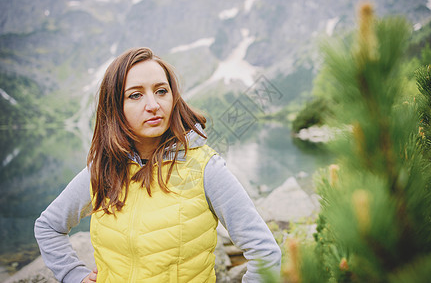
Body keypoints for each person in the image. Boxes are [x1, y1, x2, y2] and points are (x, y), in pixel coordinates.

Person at [34, 47, 281, 282]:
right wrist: (73, 275)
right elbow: (48, 227)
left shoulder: (206, 168)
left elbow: (264, 252)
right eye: (135, 95)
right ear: (115, 108)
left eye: (161, 91)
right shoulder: (102, 170)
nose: (153, 105)